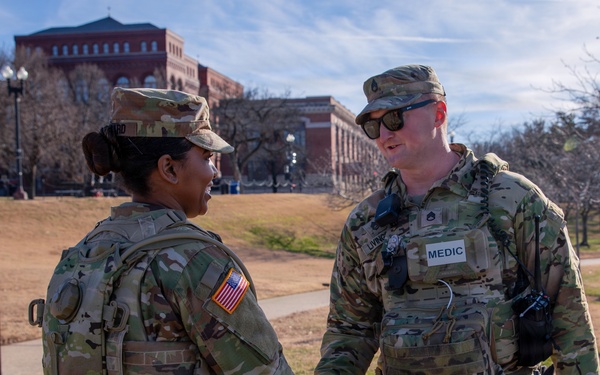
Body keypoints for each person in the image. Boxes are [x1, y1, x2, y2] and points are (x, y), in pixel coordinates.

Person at [315, 65, 599, 374]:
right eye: (373, 126)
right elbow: (349, 332)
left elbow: (571, 325)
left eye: (394, 117)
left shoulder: (512, 198)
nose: (383, 135)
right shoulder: (366, 222)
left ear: (438, 113)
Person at [37, 88, 293, 374]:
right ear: (169, 169)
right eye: (207, 157)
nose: (214, 172)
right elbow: (266, 369)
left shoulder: (83, 255)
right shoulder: (197, 261)